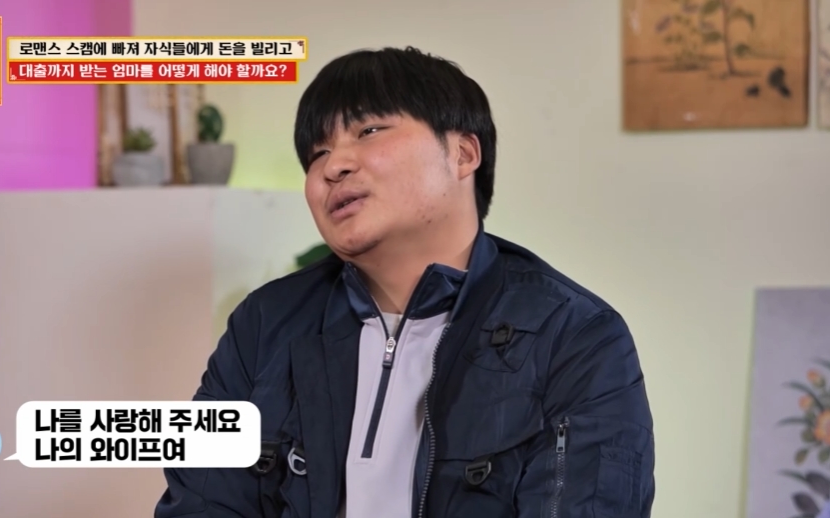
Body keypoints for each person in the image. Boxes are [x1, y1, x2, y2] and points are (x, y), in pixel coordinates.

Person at [155, 46, 655, 518]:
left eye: (369, 130)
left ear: (463, 154)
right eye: (317, 152)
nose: (334, 166)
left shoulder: (574, 336)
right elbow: (201, 503)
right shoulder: (264, 323)